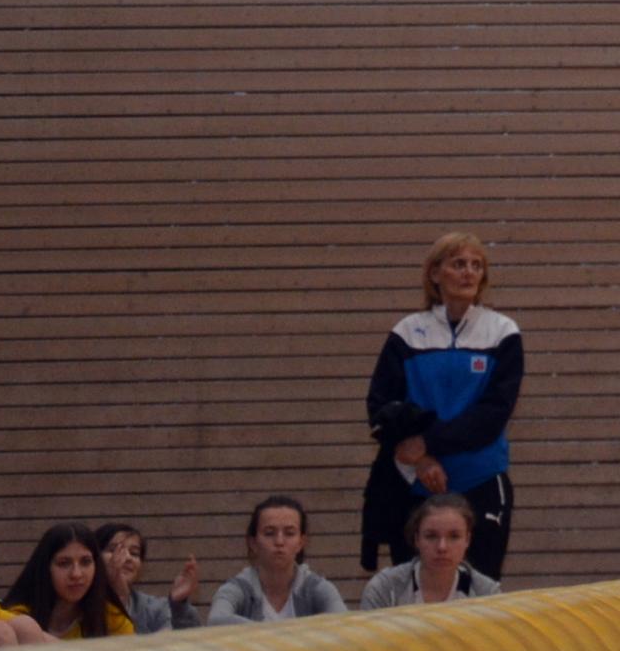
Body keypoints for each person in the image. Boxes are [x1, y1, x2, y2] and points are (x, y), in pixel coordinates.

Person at [366, 234, 523, 581]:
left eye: (476, 265)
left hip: (481, 478)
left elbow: (494, 413)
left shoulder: (503, 332)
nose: (469, 272)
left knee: (479, 589)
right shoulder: (407, 333)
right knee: (414, 589)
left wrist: (429, 443)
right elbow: (381, 407)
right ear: (435, 273)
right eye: (459, 264)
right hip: (416, 484)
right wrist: (420, 459)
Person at [204, 495, 347, 623]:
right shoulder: (238, 588)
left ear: (301, 543)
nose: (279, 541)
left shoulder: (317, 588)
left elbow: (344, 623)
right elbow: (216, 620)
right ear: (253, 543)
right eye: (269, 533)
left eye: (289, 533)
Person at [359, 492, 499, 607]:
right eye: (431, 536)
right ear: (417, 539)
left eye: (454, 536)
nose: (442, 547)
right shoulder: (384, 589)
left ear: (467, 540)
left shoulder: (488, 594)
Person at [2, 522, 129, 639]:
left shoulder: (112, 619)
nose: (76, 574)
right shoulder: (16, 618)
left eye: (85, 562)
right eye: (64, 563)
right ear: (45, 568)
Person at [95, 521, 198, 634]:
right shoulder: (82, 604)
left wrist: (179, 605)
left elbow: (190, 641)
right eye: (114, 550)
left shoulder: (154, 609)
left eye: (134, 553)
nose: (127, 557)